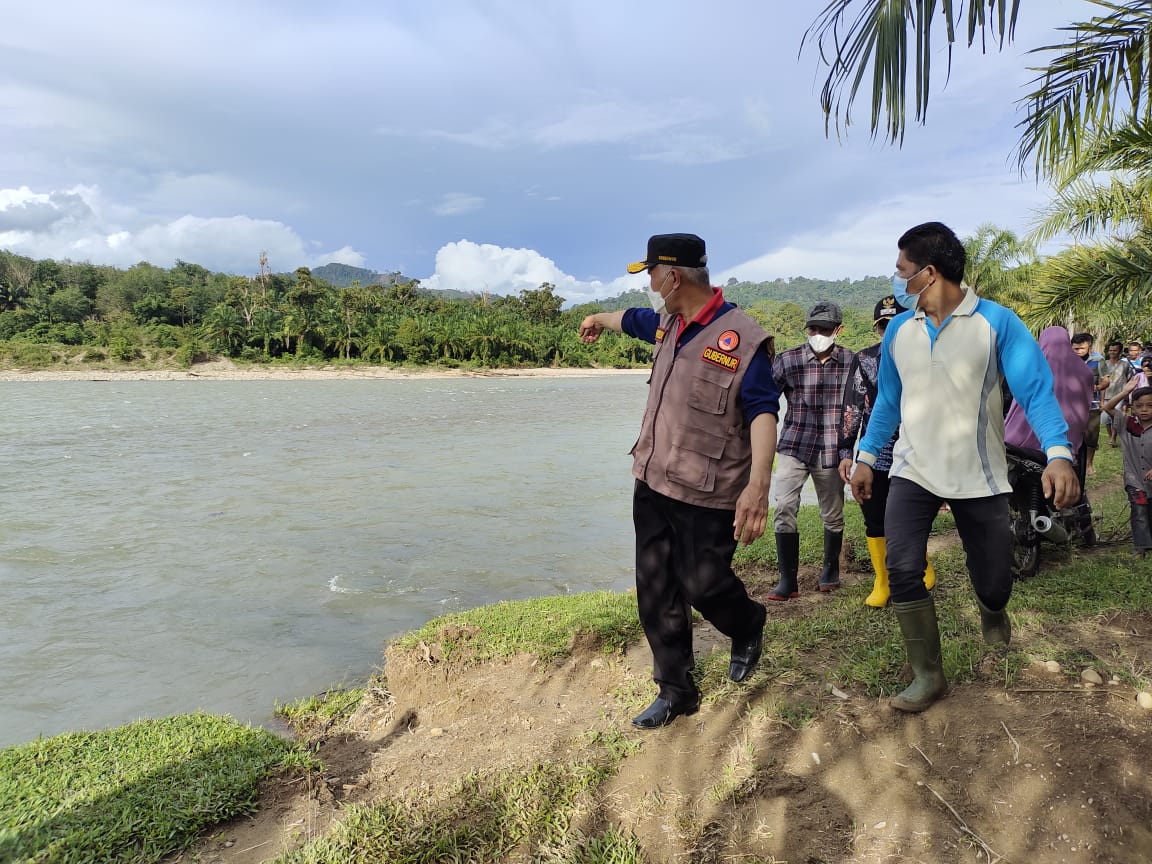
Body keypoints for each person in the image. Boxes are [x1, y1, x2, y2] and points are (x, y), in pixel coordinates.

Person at [849, 222, 1080, 713]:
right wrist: (867, 457)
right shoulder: (898, 330)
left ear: (928, 274)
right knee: (904, 565)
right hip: (913, 472)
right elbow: (889, 400)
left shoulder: (996, 323)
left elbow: (1035, 392)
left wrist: (1059, 453)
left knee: (994, 577)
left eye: (902, 272)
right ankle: (929, 676)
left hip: (981, 475)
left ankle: (993, 610)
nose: (896, 280)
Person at [578, 233, 780, 729]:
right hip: (652, 479)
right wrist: (597, 319)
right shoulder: (668, 324)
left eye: (650, 273)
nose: (648, 283)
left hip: (708, 491)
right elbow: (631, 319)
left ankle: (747, 623)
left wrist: (758, 487)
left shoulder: (742, 338)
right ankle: (676, 690)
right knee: (656, 590)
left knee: (703, 584)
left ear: (672, 276)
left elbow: (762, 413)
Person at [838, 296, 936, 608]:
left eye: (897, 323)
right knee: (874, 513)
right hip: (876, 454)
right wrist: (845, 450)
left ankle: (921, 564)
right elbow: (853, 406)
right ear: (879, 329)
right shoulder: (866, 359)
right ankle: (883, 579)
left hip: (916, 450)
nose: (889, 330)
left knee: (911, 514)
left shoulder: (931, 356)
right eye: (884, 325)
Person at [767, 301, 854, 600]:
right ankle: (787, 580)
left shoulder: (850, 362)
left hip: (832, 447)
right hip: (794, 444)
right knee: (783, 508)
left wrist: (849, 451)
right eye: (813, 328)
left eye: (825, 329)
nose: (818, 334)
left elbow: (859, 409)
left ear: (838, 330)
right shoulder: (788, 360)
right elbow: (765, 400)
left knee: (832, 513)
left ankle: (830, 570)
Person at [1006, 326, 1094, 461]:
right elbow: (1084, 409)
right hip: (1066, 444)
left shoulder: (1031, 367)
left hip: (1020, 444)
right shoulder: (1086, 373)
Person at [1103, 378, 1152, 556]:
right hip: (1134, 479)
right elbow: (1107, 408)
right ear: (1133, 408)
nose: (1144, 410)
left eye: (1149, 405)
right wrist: (1125, 392)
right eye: (1140, 406)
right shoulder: (1127, 424)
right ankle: (1141, 548)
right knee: (1139, 511)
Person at [1070, 332, 1104, 475]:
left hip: (1092, 405)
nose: (1077, 352)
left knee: (1091, 436)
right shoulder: (1066, 359)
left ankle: (1089, 463)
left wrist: (1098, 391)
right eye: (1075, 348)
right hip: (1071, 405)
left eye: (1081, 349)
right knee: (1072, 434)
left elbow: (1105, 380)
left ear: (1089, 347)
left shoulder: (1098, 360)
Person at [1100, 340, 1133, 447]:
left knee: (1116, 416)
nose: (1112, 352)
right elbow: (1102, 382)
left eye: (1115, 350)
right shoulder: (1104, 364)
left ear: (1120, 352)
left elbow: (1128, 380)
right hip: (1107, 395)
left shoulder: (1125, 365)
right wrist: (1101, 400)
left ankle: (1113, 437)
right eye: (1110, 350)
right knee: (1105, 418)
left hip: (1119, 395)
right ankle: (1110, 435)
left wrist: (1126, 399)